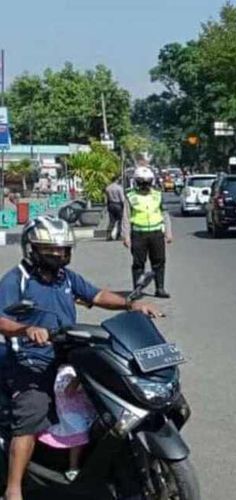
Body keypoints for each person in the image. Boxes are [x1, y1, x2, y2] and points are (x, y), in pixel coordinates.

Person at [0, 216, 162, 500]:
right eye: (51, 250)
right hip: (29, 360)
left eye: (63, 249)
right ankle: (13, 489)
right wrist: (27, 329)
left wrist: (131, 304)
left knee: (109, 391)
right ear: (32, 249)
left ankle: (100, 464)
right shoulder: (16, 279)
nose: (59, 255)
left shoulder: (66, 277)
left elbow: (96, 294)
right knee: (33, 410)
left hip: (67, 355)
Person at [37, 364, 96, 482]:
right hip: (70, 411)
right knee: (79, 432)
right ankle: (73, 467)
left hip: (86, 407)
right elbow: (68, 391)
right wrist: (80, 375)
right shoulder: (65, 372)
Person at [122, 167, 173, 299]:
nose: (144, 185)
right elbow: (126, 217)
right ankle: (138, 289)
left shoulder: (158, 194)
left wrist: (168, 232)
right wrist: (126, 236)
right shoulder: (130, 196)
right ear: (136, 182)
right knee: (139, 264)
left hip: (156, 233)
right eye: (141, 182)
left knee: (159, 261)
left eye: (147, 182)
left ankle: (160, 288)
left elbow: (164, 214)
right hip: (139, 234)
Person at [105, 176, 125, 241]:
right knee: (120, 221)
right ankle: (118, 235)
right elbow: (122, 199)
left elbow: (107, 199)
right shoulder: (119, 188)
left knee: (112, 221)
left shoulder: (108, 188)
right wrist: (124, 206)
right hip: (118, 205)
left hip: (111, 204)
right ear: (116, 180)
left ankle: (108, 235)